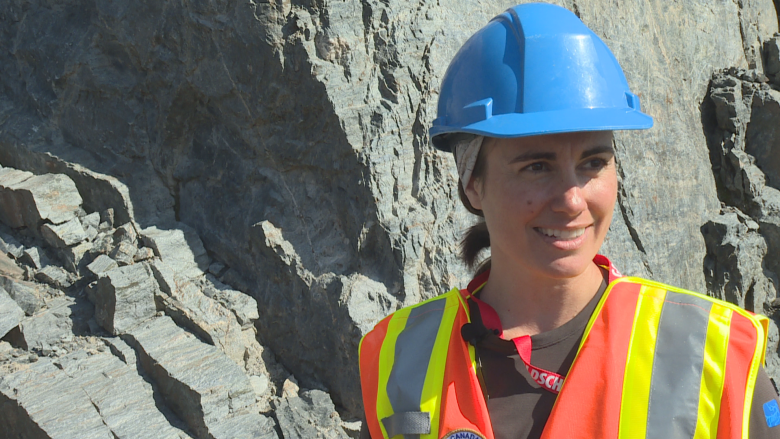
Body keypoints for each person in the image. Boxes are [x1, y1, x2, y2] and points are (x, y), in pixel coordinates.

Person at [358, 3, 780, 439]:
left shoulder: (715, 354)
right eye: (536, 166)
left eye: (593, 162)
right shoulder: (399, 356)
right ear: (472, 184)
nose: (572, 200)